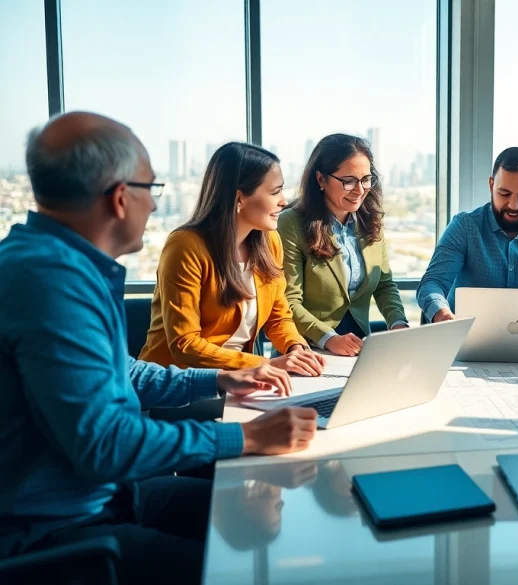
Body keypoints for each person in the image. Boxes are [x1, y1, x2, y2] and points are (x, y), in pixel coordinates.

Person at [0, 112, 318, 584]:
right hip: (60, 528)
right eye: (152, 189)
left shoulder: (66, 266)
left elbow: (125, 372)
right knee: (246, 568)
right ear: (120, 197)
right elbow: (106, 445)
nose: (153, 206)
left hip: (108, 493)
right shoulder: (49, 282)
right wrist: (248, 437)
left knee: (276, 523)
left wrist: (219, 377)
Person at [139, 142, 326, 376]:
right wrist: (264, 365)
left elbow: (279, 318)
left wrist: (296, 349)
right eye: (275, 191)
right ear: (239, 198)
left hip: (241, 379)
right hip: (179, 382)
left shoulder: (269, 242)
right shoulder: (185, 246)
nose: (283, 201)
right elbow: (185, 344)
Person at [278, 134, 408, 357]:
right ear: (321, 179)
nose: (360, 190)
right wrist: (329, 338)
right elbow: (287, 302)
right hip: (306, 348)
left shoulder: (371, 222)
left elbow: (384, 285)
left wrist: (398, 324)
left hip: (359, 350)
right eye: (348, 181)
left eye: (366, 179)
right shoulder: (290, 223)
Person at [416, 146, 518, 328]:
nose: (514, 205)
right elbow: (432, 283)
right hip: (463, 340)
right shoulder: (464, 227)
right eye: (504, 194)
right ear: (491, 185)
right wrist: (441, 313)